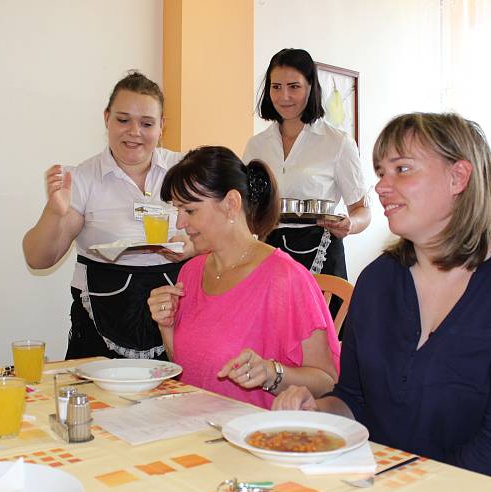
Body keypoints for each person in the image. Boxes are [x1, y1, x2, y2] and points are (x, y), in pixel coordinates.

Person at [273, 112, 491, 492]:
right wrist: (317, 410)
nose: (381, 186)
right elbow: (353, 400)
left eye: (402, 169)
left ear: (458, 177)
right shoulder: (377, 281)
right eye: (380, 172)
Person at [147, 146, 341, 409]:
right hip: (196, 429)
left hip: (257, 437)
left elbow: (327, 381)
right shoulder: (191, 272)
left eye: (190, 211)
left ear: (231, 204)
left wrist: (272, 374)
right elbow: (189, 371)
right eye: (177, 210)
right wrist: (166, 325)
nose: (180, 223)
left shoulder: (286, 279)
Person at [23, 72, 189, 361]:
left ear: (161, 126)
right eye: (123, 120)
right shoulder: (84, 177)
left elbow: (225, 232)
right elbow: (38, 259)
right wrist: (54, 211)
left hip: (177, 317)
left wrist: (194, 247)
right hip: (100, 322)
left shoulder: (184, 169)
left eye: (146, 123)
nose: (134, 132)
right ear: (107, 118)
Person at [243, 48, 371, 280]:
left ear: (311, 87)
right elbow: (245, 207)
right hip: (269, 254)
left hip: (321, 256)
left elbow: (362, 210)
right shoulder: (256, 146)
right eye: (276, 87)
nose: (284, 97)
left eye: (294, 87)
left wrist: (350, 224)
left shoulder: (337, 142)